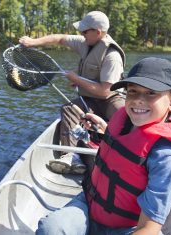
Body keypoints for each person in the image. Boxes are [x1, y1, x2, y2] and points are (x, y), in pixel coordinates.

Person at [35, 57, 171, 235]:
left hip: (126, 227)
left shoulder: (167, 158)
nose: (138, 100)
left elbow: (148, 228)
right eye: (132, 91)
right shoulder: (122, 120)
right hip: (89, 205)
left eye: (151, 93)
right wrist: (103, 129)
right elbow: (120, 150)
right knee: (50, 229)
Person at [19, 11, 126, 174]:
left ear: (98, 32)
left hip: (111, 98)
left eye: (84, 31)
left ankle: (128, 154)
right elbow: (60, 38)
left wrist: (77, 79)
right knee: (68, 109)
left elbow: (105, 91)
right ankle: (69, 156)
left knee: (126, 116)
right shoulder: (86, 43)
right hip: (90, 99)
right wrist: (32, 42)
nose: (81, 35)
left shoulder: (112, 56)